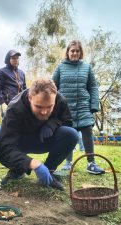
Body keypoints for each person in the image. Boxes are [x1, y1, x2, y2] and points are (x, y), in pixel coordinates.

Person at [0, 78, 79, 190]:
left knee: (72, 134)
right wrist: (32, 163)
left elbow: (67, 122)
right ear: (30, 97)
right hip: (20, 140)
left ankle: (49, 170)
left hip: (45, 140)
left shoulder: (60, 100)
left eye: (49, 107)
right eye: (39, 106)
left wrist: (52, 124)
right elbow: (7, 147)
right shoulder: (14, 108)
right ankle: (18, 169)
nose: (44, 112)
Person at [52, 40, 105, 175]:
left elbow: (93, 86)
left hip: (83, 106)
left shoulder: (87, 67)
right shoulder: (60, 67)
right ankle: (68, 163)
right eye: (72, 51)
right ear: (68, 52)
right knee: (68, 134)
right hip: (65, 107)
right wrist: (53, 106)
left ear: (80, 53)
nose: (75, 53)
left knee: (87, 131)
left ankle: (91, 163)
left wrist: (94, 105)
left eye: (77, 51)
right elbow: (52, 87)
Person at [0, 50, 26, 117]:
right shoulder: (1, 72)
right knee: (9, 126)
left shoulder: (22, 73)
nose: (16, 60)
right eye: (13, 58)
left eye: (17, 58)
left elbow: (25, 89)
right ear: (8, 59)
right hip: (8, 105)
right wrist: (2, 103)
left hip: (21, 105)